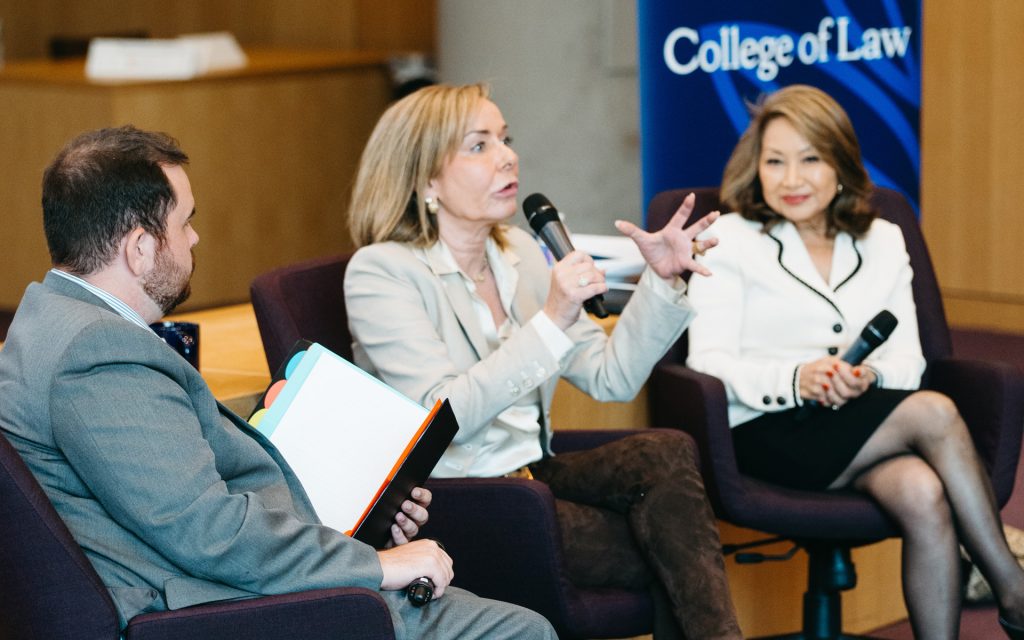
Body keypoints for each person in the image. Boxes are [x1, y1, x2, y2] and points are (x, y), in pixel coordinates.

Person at [0, 125, 556, 640]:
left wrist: (346, 506)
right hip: (233, 607)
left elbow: (169, 482)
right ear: (141, 247)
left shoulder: (50, 320)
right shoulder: (98, 355)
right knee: (524, 631)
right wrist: (374, 564)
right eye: (185, 222)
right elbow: (206, 531)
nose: (194, 240)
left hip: (241, 580)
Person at [343, 83, 742, 640]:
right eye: (479, 145)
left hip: (535, 474)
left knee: (666, 452)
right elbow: (442, 415)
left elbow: (613, 377)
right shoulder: (382, 272)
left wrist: (663, 280)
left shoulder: (520, 253)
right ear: (426, 177)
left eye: (506, 139)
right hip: (462, 500)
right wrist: (550, 321)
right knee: (681, 547)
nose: (508, 156)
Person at [684, 84, 1024, 640]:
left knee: (922, 490)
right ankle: (1013, 590)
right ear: (756, 167)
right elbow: (709, 363)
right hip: (766, 431)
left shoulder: (885, 239)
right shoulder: (730, 237)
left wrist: (865, 377)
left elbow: (908, 361)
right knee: (935, 413)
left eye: (810, 159)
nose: (791, 179)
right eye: (775, 161)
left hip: (860, 423)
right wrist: (796, 379)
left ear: (840, 162)